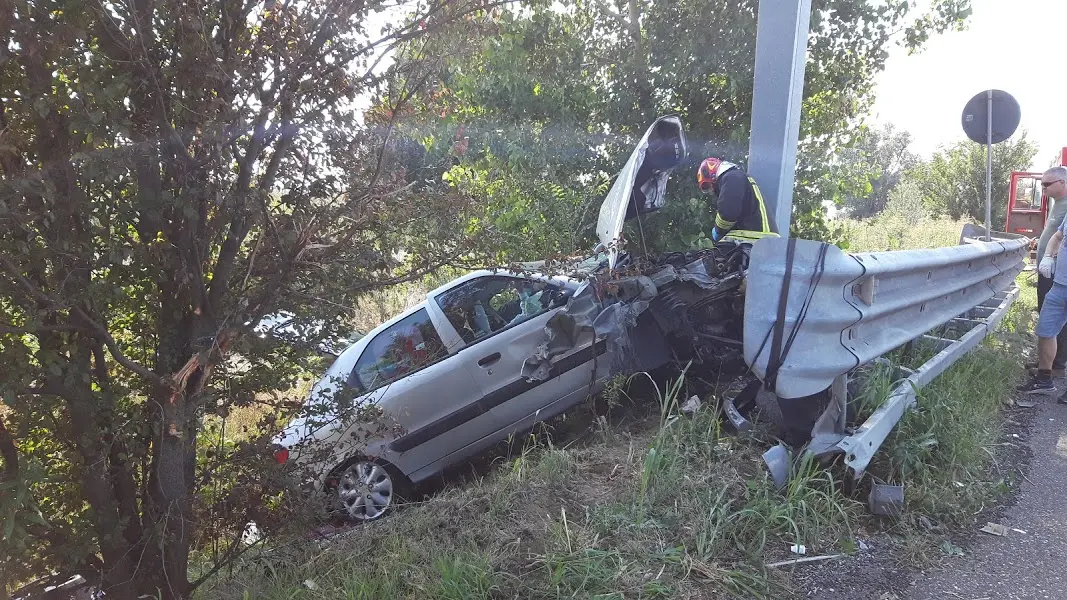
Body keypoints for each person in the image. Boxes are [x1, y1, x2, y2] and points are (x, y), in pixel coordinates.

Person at [1019, 167, 1067, 396]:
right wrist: (1048, 255)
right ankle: (1045, 377)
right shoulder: (1062, 208)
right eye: (1042, 185)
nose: (1043, 189)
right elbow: (1058, 235)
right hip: (1058, 281)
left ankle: (1058, 366)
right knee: (1046, 328)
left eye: (1047, 184)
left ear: (1063, 183)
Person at [696, 157, 777, 242]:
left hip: (754, 238)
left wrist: (718, 230)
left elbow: (727, 214)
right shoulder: (737, 176)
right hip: (760, 237)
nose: (711, 190)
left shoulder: (731, 177)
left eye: (708, 186)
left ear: (712, 175)